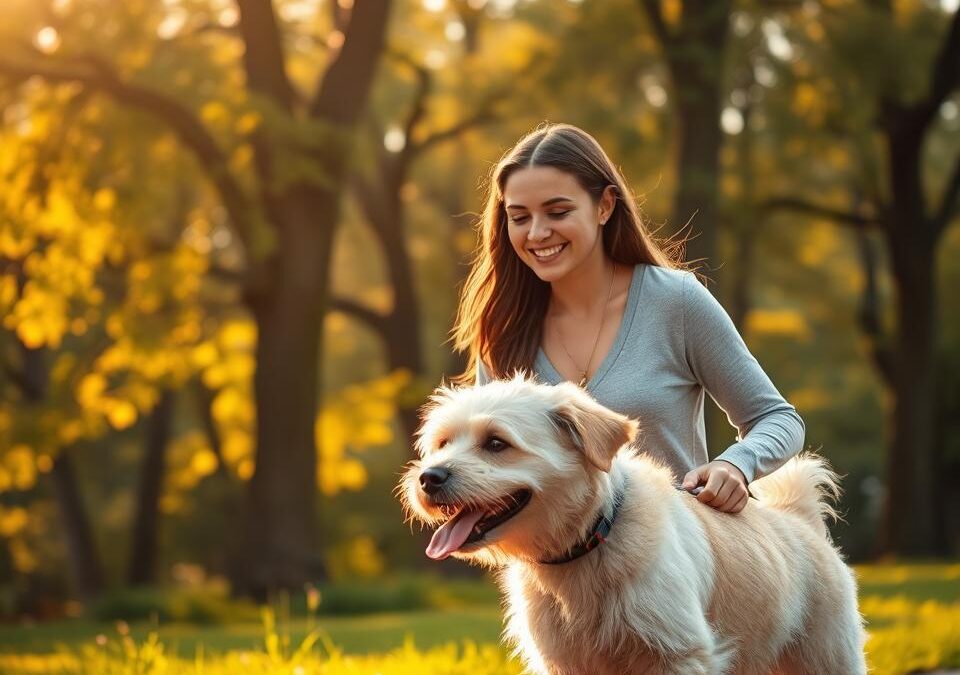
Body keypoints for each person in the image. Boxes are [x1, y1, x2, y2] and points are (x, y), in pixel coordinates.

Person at [451, 123, 804, 514]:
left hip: (677, 558)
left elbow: (777, 418)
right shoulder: (502, 327)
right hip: (553, 572)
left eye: (557, 211)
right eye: (519, 217)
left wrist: (735, 464)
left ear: (605, 206)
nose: (537, 232)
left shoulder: (675, 301)